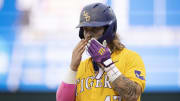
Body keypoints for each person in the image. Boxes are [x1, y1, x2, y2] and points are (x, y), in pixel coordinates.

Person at [56, 2, 146, 101]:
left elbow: (132, 95)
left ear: (109, 29)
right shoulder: (81, 67)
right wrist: (73, 68)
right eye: (86, 29)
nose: (89, 35)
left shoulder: (130, 58)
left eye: (95, 29)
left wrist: (108, 65)